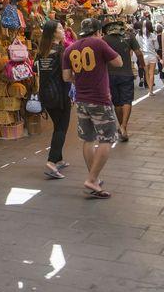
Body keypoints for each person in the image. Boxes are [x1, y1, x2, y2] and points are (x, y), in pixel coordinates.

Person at [61, 18, 122, 199]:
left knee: (88, 139)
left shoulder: (69, 49)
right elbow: (118, 62)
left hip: (81, 100)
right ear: (97, 31)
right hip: (100, 100)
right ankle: (92, 178)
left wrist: (80, 79)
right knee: (106, 139)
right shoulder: (98, 43)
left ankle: (93, 179)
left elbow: (66, 77)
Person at [35, 20, 71, 179]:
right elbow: (66, 76)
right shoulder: (61, 51)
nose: (63, 31)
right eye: (60, 28)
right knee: (61, 128)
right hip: (60, 95)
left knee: (58, 125)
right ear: (53, 33)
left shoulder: (41, 52)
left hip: (45, 94)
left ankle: (59, 159)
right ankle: (51, 162)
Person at [103, 21, 144, 142]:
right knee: (127, 100)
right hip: (126, 73)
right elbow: (138, 53)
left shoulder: (104, 39)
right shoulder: (129, 36)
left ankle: (121, 126)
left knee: (117, 102)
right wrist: (142, 65)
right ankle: (123, 126)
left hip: (110, 74)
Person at [135, 20, 159, 94]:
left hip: (143, 56)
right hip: (152, 56)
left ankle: (150, 90)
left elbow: (137, 47)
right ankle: (151, 90)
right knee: (151, 73)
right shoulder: (153, 35)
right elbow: (157, 47)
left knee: (146, 73)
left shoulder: (138, 35)